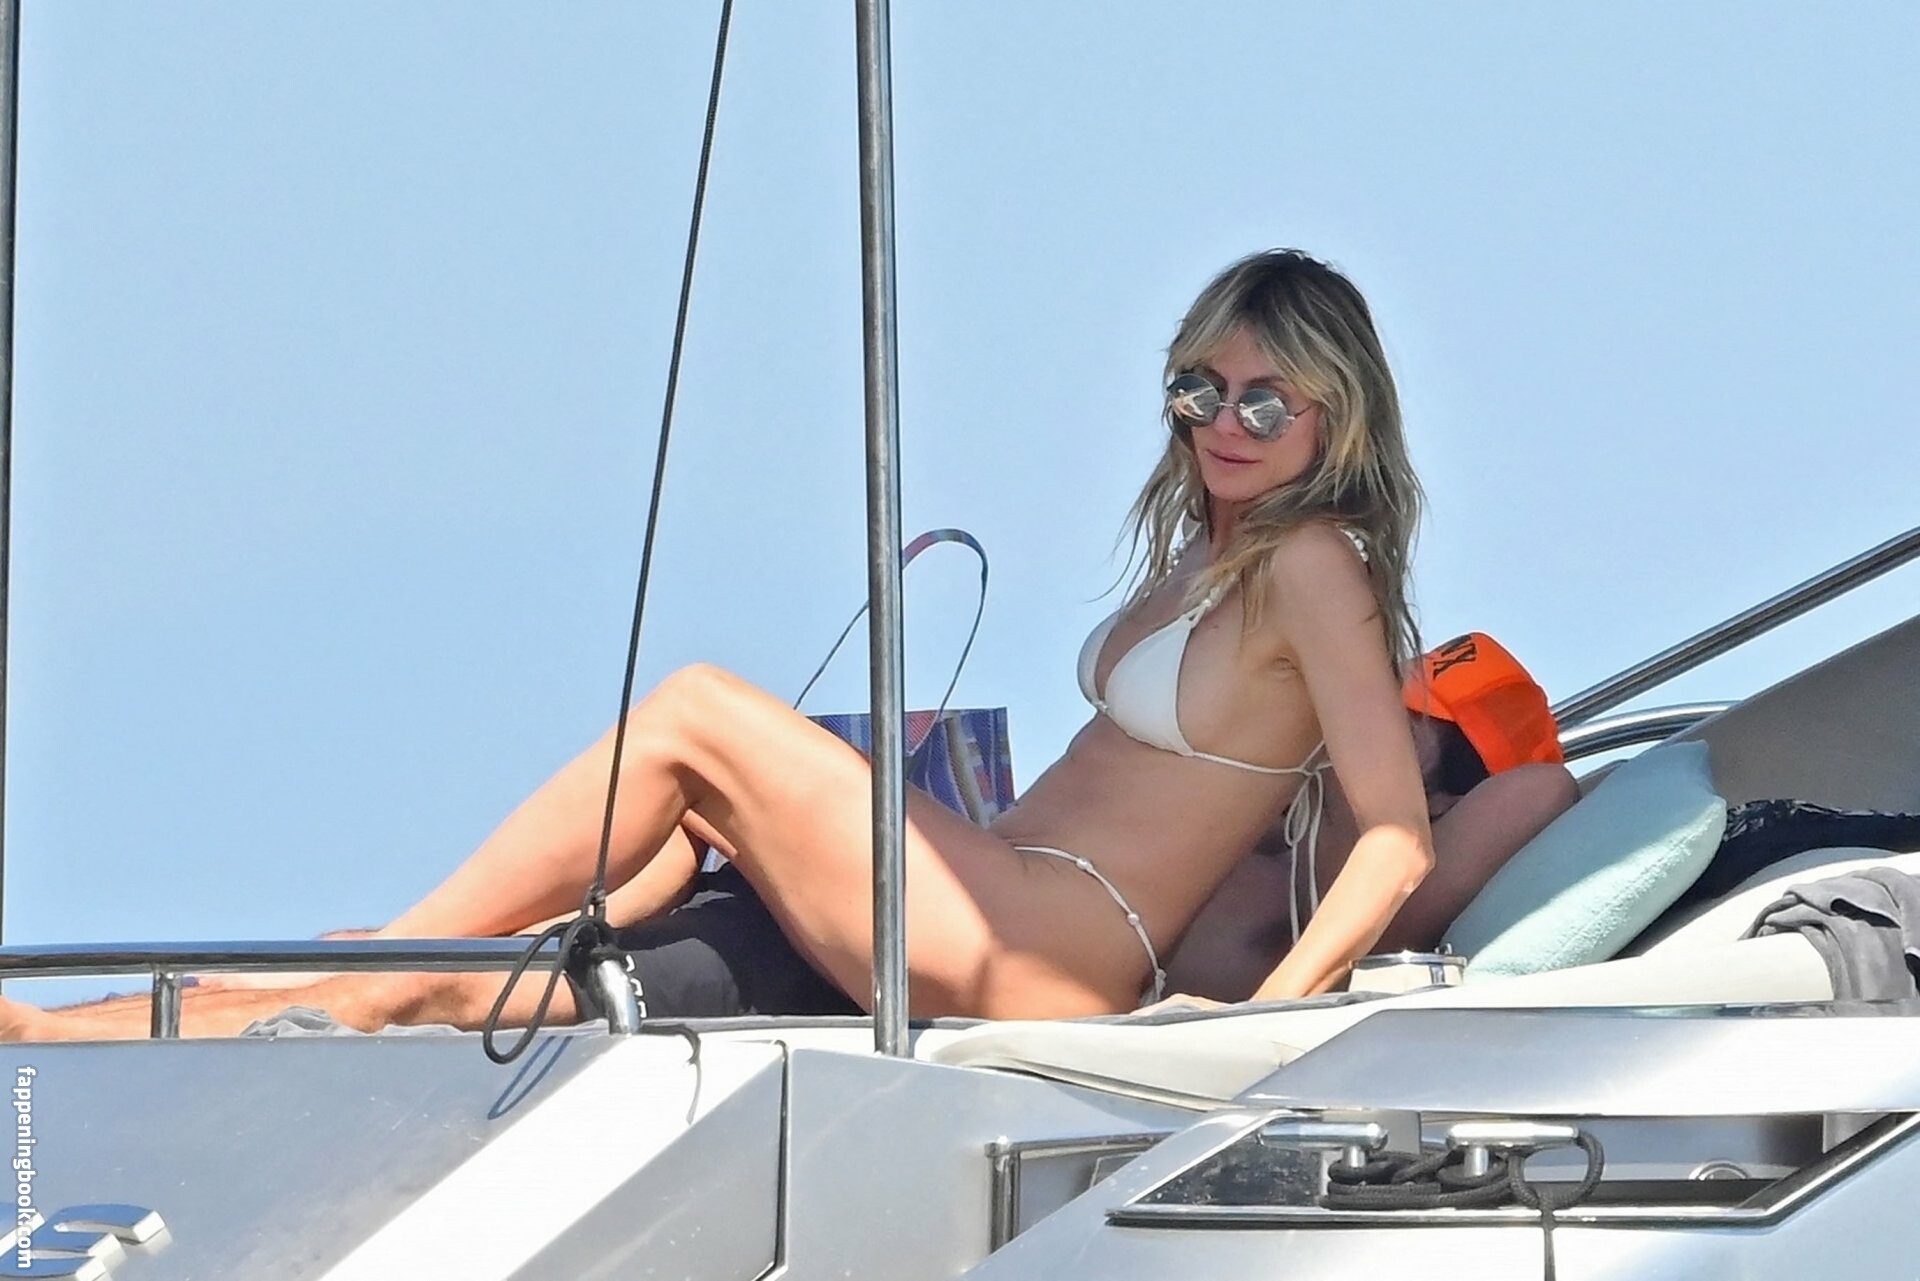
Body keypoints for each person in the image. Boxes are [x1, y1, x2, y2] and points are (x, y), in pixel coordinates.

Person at [2, 248, 1470, 1041]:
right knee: (629, 871)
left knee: (702, 714)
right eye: (1198, 390)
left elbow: (1395, 839)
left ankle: (386, 965)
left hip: (1044, 943)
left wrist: (1258, 1032)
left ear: (1334, 416)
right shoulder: (1214, 556)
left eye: (1265, 402)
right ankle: (150, 1021)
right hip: (994, 886)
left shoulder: (1317, 566)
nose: (1223, 424)